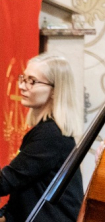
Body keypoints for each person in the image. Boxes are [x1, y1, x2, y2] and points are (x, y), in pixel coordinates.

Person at [0, 54, 84, 222]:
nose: (22, 86)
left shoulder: (51, 136)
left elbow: (6, 181)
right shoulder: (46, 131)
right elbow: (23, 190)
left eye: (32, 81)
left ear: (55, 90)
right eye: (23, 78)